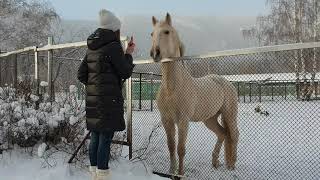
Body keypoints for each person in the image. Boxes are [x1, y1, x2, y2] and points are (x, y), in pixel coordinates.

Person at [77, 9, 135, 180]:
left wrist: (96, 85)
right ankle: (102, 176)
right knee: (105, 139)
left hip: (93, 100)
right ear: (114, 29)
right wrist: (129, 54)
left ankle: (94, 174)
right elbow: (124, 71)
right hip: (109, 101)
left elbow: (81, 74)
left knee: (95, 137)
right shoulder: (113, 46)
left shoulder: (91, 48)